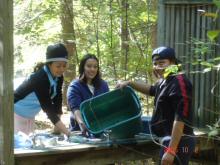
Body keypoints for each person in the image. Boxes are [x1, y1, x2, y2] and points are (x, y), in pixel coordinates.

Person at [116, 46, 196, 165]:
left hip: (179, 144)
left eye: (162, 63)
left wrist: (171, 150)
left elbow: (180, 118)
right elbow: (153, 90)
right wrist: (130, 83)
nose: (158, 67)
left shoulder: (179, 81)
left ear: (173, 62)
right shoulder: (166, 80)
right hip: (168, 142)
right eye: (155, 63)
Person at [14, 43, 71, 137]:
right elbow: (48, 108)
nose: (61, 69)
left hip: (29, 116)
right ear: (49, 64)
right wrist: (68, 133)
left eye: (64, 66)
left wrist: (57, 129)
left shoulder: (58, 77)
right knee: (17, 147)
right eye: (58, 66)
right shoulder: (40, 79)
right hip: (15, 114)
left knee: (28, 146)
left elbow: (57, 100)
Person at [67, 54, 109, 136]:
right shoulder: (75, 86)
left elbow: (106, 105)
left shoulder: (103, 85)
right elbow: (75, 109)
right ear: (83, 67)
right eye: (89, 66)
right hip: (80, 131)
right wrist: (81, 123)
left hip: (100, 129)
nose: (92, 69)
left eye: (95, 67)